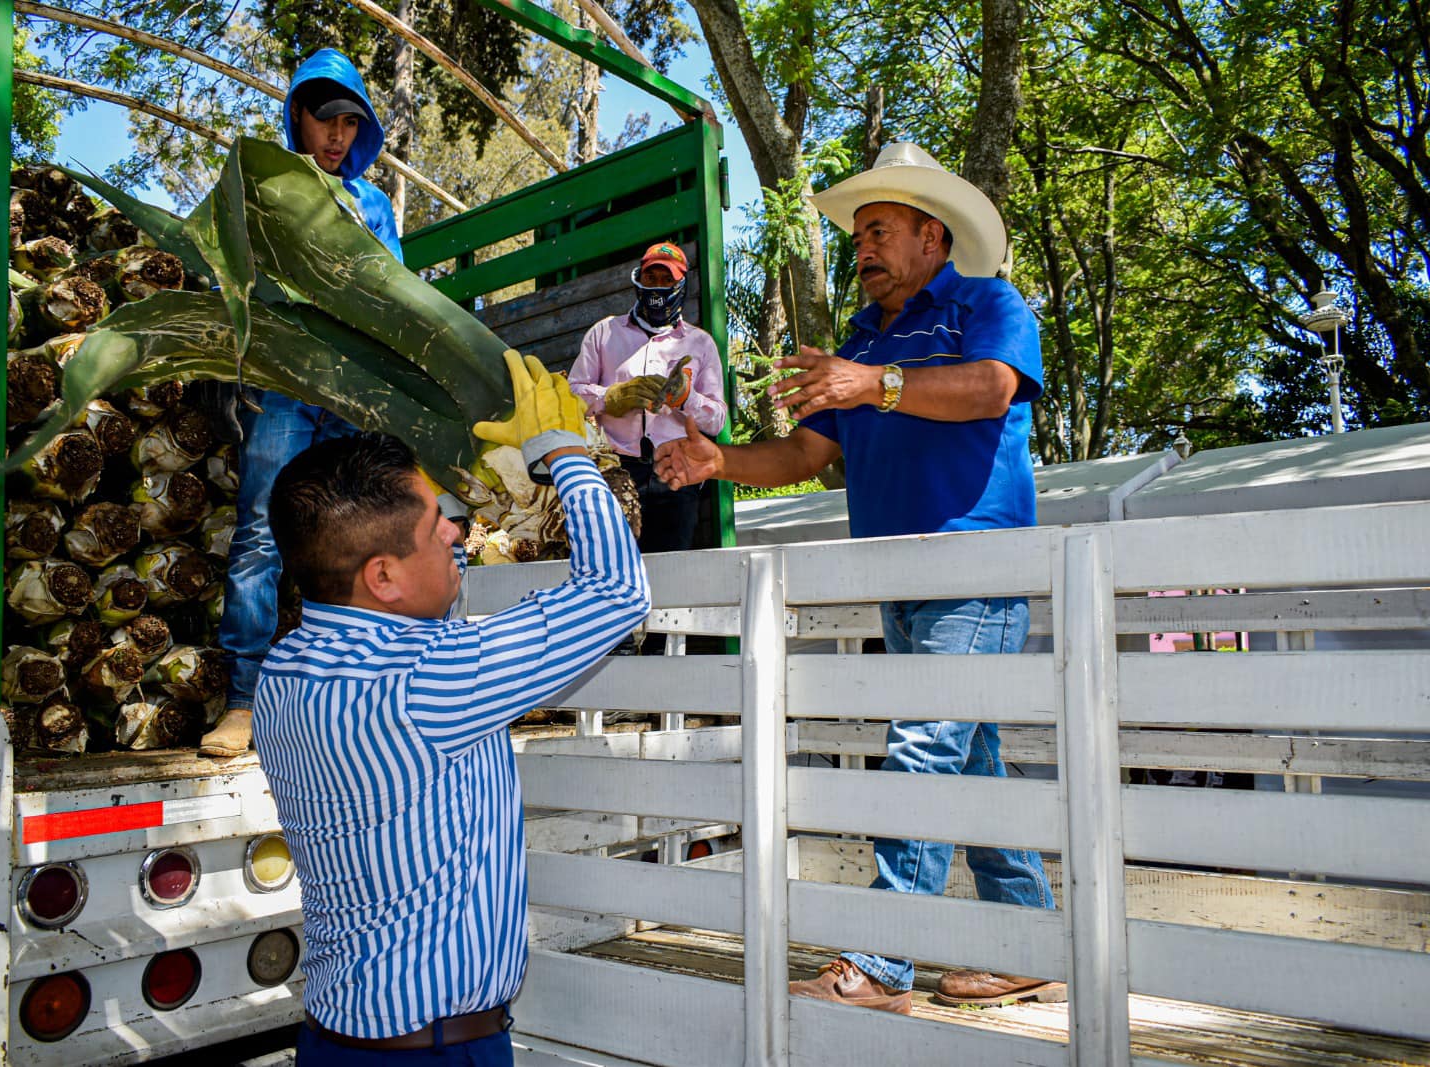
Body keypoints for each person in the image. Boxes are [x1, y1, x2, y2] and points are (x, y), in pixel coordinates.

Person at [655, 143, 1062, 1015]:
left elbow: (993, 388)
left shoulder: (986, 304)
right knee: (971, 759)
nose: (864, 249)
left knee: (921, 748)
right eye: (859, 236)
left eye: (879, 231)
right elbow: (807, 451)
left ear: (931, 235)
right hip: (899, 573)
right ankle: (1031, 940)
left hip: (975, 564)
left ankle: (879, 965)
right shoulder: (864, 338)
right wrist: (717, 456)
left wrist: (874, 383)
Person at [254, 353, 649, 1063]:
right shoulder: (427, 683)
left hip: (339, 1038)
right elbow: (617, 593)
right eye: (441, 523)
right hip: (434, 1054)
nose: (457, 534)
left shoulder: (286, 672)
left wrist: (487, 506)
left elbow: (419, 592)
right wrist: (563, 452)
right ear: (380, 576)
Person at [200, 48, 404, 757]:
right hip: (283, 390)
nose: (338, 134)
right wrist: (231, 373)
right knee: (260, 537)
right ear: (297, 116)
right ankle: (245, 702)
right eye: (327, 118)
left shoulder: (372, 204)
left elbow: (395, 301)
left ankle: (343, 696)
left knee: (351, 537)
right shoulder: (261, 188)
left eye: (351, 121)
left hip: (348, 396)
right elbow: (228, 274)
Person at [568, 241, 727, 555]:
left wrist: (686, 398)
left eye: (666, 279)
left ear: (681, 284)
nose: (657, 286)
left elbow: (717, 418)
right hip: (614, 474)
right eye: (650, 277)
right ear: (638, 281)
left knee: (672, 573)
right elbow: (571, 393)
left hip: (677, 473)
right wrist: (611, 396)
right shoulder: (604, 333)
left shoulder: (701, 343)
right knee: (613, 567)